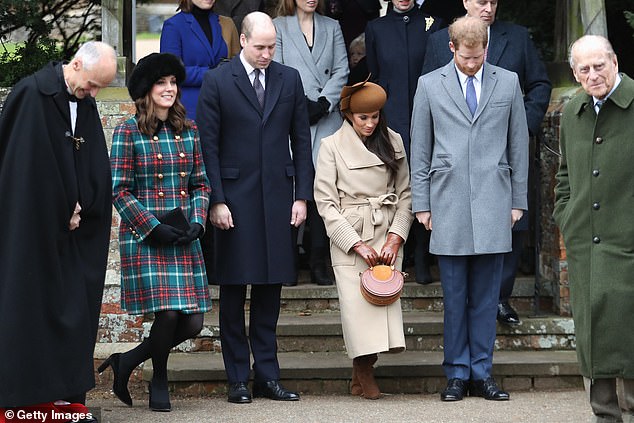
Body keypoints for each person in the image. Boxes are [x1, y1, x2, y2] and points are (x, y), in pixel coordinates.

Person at [196, 12, 313, 404]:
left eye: (272, 47)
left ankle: (267, 375)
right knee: (233, 293)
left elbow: (302, 140)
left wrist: (301, 195)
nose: (266, 54)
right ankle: (237, 379)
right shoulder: (217, 80)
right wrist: (216, 200)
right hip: (233, 199)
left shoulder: (289, 78)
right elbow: (207, 147)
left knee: (270, 292)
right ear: (243, 41)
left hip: (279, 196)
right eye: (260, 46)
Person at [410, 16, 528, 402]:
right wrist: (422, 204)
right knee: (456, 297)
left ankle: (483, 372)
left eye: (478, 57)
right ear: (451, 48)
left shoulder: (508, 82)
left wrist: (517, 201)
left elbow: (518, 145)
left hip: (496, 201)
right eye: (466, 58)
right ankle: (457, 373)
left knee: (487, 296)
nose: (473, 63)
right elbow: (421, 149)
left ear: (486, 48)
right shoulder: (428, 85)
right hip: (447, 202)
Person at [0, 41, 117, 414]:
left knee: (77, 305)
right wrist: (61, 206)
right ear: (77, 64)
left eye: (100, 87)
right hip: (34, 233)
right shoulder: (32, 95)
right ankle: (28, 400)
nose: (94, 93)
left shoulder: (83, 100)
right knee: (30, 310)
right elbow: (23, 169)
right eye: (92, 84)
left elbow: (93, 159)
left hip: (75, 234)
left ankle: (68, 394)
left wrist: (85, 200)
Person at [422, 0, 551, 326]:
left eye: (493, 1)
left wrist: (523, 125)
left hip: (501, 156)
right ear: (465, 2)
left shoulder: (518, 37)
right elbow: (428, 104)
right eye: (481, 1)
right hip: (453, 170)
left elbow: (539, 84)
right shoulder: (438, 41)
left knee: (508, 232)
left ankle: (499, 299)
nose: (488, 6)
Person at [101, 52, 212, 412]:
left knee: (193, 322)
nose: (169, 89)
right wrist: (152, 227)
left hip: (182, 235)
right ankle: (159, 379)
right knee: (167, 314)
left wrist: (197, 221)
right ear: (145, 91)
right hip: (147, 236)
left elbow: (200, 184)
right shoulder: (127, 131)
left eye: (173, 82)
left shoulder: (189, 129)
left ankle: (128, 360)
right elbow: (119, 189)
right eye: (161, 83)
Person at [314, 79, 413, 399]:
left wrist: (395, 238)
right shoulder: (330, 146)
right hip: (350, 234)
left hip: (386, 230)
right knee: (358, 310)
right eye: (363, 118)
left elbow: (406, 194)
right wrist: (354, 243)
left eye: (375, 116)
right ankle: (365, 372)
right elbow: (325, 203)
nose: (370, 123)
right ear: (348, 116)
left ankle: (361, 376)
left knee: (383, 305)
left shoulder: (393, 140)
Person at [554, 35, 634, 422]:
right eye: (583, 69)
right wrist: (565, 216)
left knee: (629, 339)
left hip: (627, 245)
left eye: (599, 65)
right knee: (593, 339)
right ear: (575, 73)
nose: (593, 74)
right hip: (586, 243)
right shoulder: (573, 110)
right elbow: (565, 174)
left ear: (614, 61)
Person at [365, 0, 443, 285]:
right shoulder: (376, 27)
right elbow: (375, 74)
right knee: (392, 185)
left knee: (423, 183)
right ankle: (393, 256)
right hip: (390, 117)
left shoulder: (434, 23)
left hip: (427, 115)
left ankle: (422, 258)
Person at [273, 0, 349, 286]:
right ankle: (288, 260)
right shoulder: (279, 27)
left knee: (324, 193)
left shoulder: (333, 26)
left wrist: (324, 102)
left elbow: (342, 68)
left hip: (326, 118)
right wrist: (300, 104)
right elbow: (276, 68)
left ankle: (319, 262)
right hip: (292, 117)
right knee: (293, 188)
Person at [160, 0, 241, 120]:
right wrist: (213, 73)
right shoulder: (174, 25)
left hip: (223, 105)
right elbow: (171, 71)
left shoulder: (224, 23)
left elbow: (237, 64)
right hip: (189, 108)